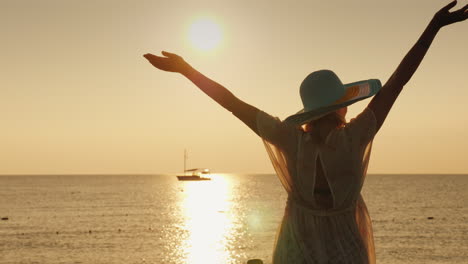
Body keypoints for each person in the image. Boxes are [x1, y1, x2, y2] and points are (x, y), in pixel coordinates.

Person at [144, 1, 467, 263]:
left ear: (309, 112)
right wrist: (433, 27)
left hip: (296, 246)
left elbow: (231, 103)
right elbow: (399, 81)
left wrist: (186, 70)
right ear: (340, 106)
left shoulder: (289, 138)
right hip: (346, 247)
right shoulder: (354, 138)